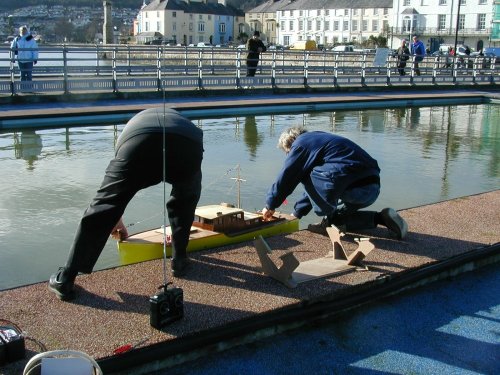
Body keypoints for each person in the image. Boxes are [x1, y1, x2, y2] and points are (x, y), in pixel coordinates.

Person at [48, 108, 204, 301]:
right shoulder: (179, 119)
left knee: (104, 205)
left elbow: (111, 198)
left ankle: (66, 279)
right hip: (188, 143)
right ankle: (179, 259)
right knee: (186, 196)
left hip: (138, 143)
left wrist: (114, 216)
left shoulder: (129, 132)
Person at [261, 127, 408, 240]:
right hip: (372, 188)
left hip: (348, 184)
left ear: (289, 145)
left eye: (288, 153)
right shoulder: (321, 140)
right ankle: (380, 218)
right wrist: (297, 213)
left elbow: (288, 176)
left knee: (302, 173)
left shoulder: (300, 144)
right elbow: (314, 187)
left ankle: (327, 218)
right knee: (337, 221)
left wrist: (270, 204)